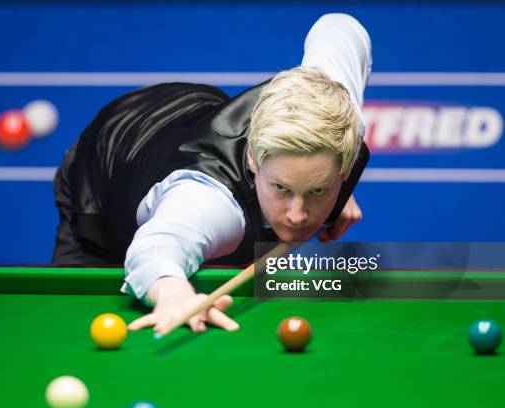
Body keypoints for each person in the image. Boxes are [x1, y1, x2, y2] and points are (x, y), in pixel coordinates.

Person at [52, 13, 372, 334]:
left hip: (192, 113)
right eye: (281, 188)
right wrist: (172, 292)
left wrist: (327, 181)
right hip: (107, 163)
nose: (298, 216)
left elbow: (339, 26)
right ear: (252, 160)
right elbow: (158, 245)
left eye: (317, 191)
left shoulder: (332, 104)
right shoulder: (209, 201)